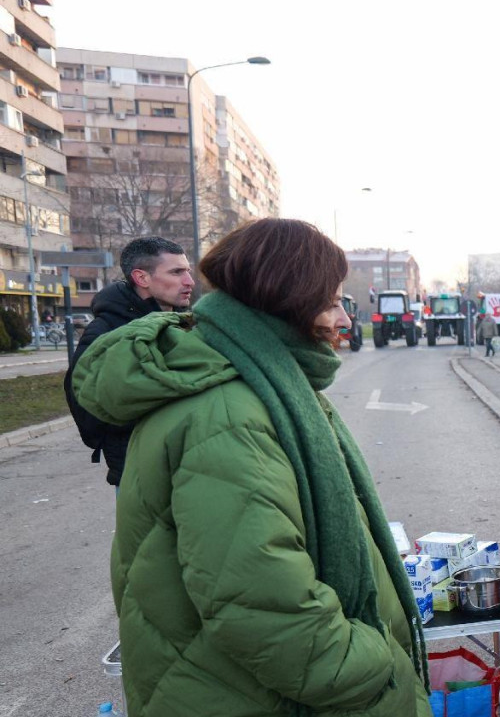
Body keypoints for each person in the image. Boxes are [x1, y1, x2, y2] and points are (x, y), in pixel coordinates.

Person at [72, 219, 430, 716]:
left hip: (235, 687)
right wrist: (380, 664)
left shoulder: (259, 381)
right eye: (331, 302)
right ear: (289, 303)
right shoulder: (231, 413)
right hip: (249, 695)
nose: (345, 321)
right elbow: (262, 609)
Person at [63, 236, 194, 486]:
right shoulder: (108, 332)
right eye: (177, 272)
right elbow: (85, 402)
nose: (189, 281)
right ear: (142, 278)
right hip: (139, 475)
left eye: (187, 271)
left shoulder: (184, 324)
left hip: (187, 469)